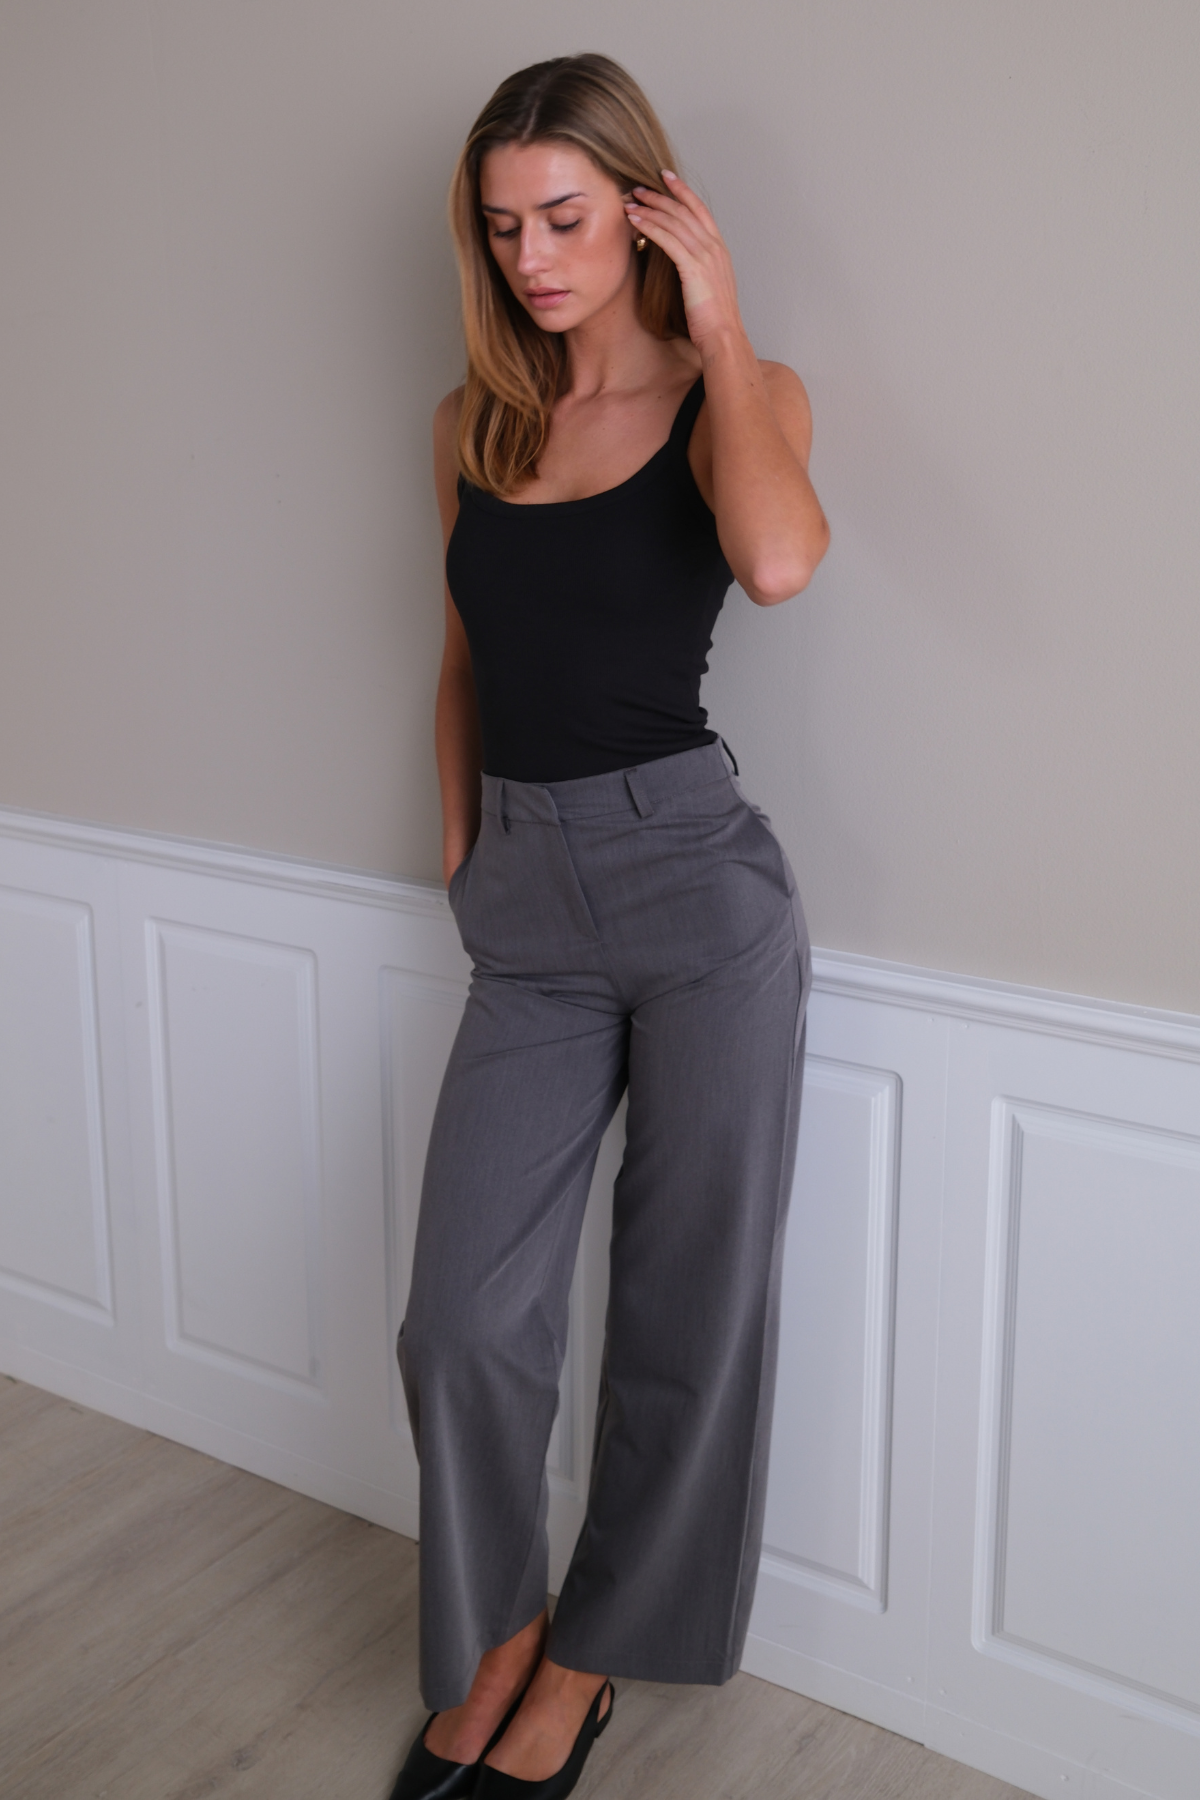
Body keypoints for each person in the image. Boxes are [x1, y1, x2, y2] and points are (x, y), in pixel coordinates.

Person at [390, 52, 829, 1800]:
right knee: (459, 1316)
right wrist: (461, 850)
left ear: (647, 212)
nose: (533, 259)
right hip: (526, 898)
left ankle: (584, 1665)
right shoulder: (474, 425)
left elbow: (780, 564)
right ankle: (502, 1631)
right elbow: (461, 659)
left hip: (698, 888)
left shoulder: (744, 393)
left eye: (564, 218)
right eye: (503, 229)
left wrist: (719, 325)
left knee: (683, 1311)